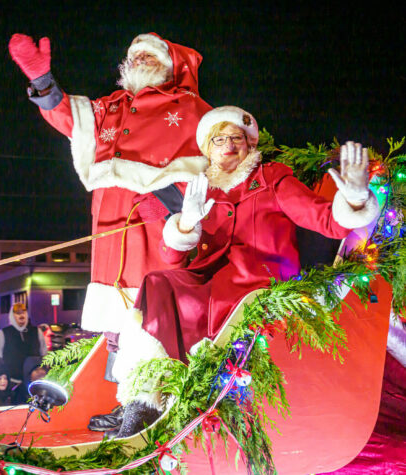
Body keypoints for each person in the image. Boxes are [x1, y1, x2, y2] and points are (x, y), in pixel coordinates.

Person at [110, 105, 380, 437]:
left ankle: (186, 405)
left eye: (236, 137)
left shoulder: (271, 178)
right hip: (207, 281)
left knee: (207, 304)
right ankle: (143, 404)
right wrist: (185, 223)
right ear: (207, 148)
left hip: (258, 283)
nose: (228, 145)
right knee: (157, 284)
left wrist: (354, 200)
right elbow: (173, 262)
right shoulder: (199, 190)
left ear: (249, 144)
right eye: (218, 139)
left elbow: (323, 219)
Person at [8, 31, 212, 346]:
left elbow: (210, 171)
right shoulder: (111, 106)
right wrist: (42, 79)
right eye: (135, 56)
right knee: (115, 329)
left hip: (153, 230)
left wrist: (153, 211)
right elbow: (70, 121)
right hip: (109, 229)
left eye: (149, 56)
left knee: (155, 324)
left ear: (169, 67)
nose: (139, 60)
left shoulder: (189, 109)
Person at [0, 302, 47, 400]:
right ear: (12, 316)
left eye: (23, 312)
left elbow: (44, 353)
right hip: (13, 383)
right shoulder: (4, 333)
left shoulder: (36, 331)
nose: (21, 315)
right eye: (18, 313)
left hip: (33, 383)